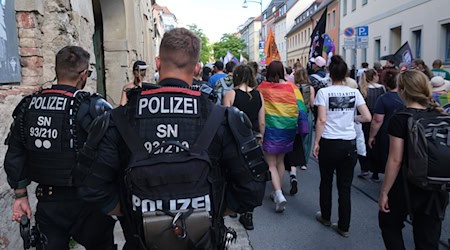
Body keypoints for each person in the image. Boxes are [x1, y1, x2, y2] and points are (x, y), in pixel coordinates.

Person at [76, 28, 267, 250]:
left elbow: (90, 186)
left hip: (141, 241)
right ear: (196, 68)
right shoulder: (222, 118)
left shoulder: (117, 119)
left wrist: (130, 211)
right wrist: (215, 208)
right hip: (203, 241)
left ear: (157, 63)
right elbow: (252, 188)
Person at [3, 46, 116, 250]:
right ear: (83, 75)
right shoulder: (93, 106)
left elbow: (15, 153)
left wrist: (20, 195)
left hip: (49, 201)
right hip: (89, 202)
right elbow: (114, 153)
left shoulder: (29, 105)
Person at [378, 70, 449, 250]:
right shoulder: (442, 116)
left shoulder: (400, 118)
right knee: (428, 240)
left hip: (406, 185)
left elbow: (395, 160)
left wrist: (384, 191)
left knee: (389, 224)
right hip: (436, 188)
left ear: (402, 90)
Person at [313, 55, 371, 238]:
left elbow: (322, 120)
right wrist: (353, 118)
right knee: (345, 187)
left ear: (330, 73)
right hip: (349, 143)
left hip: (329, 142)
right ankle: (344, 226)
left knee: (326, 181)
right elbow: (367, 117)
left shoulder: (324, 92)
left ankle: (326, 216)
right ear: (346, 74)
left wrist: (316, 142)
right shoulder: (354, 92)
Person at [258, 61, 308, 212]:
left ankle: (279, 194)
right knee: (280, 161)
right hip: (288, 129)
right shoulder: (292, 88)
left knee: (271, 163)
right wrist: (303, 128)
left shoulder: (263, 88)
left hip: (270, 129)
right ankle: (275, 191)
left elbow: (257, 106)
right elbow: (301, 108)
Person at [222, 64, 265, 230]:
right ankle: (248, 215)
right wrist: (261, 136)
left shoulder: (231, 94)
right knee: (251, 176)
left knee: (232, 173)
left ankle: (232, 207)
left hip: (235, 139)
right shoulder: (258, 95)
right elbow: (262, 120)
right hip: (253, 139)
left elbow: (225, 119)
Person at [368, 69, 403, 176]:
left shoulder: (383, 99)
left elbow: (377, 120)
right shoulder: (405, 97)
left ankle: (383, 175)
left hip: (386, 131)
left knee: (388, 155)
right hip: (403, 130)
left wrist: (371, 136)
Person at [357, 69, 386, 182]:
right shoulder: (381, 88)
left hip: (365, 119)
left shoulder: (362, 89)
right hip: (378, 117)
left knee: (363, 143)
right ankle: (375, 171)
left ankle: (364, 167)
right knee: (375, 144)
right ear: (374, 76)